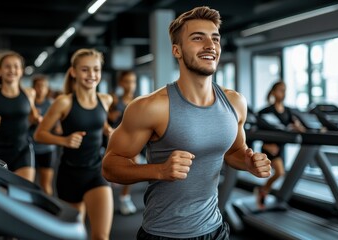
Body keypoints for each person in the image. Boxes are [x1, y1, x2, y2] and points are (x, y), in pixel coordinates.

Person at [102, 6, 271, 239]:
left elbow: (234, 152)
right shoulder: (151, 107)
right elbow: (110, 165)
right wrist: (159, 170)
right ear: (177, 50)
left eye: (215, 39)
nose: (210, 45)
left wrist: (249, 162)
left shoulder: (235, 102)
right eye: (197, 38)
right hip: (164, 233)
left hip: (215, 228)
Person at [34, 48, 114, 240]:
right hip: (69, 175)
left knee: (101, 236)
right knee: (74, 236)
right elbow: (39, 134)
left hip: (96, 172)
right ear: (74, 72)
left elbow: (100, 123)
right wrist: (64, 140)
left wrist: (108, 131)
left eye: (96, 69)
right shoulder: (64, 102)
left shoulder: (106, 100)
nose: (92, 75)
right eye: (85, 70)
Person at [0, 51, 41, 182]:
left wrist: (37, 119)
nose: (12, 70)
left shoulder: (29, 93)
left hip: (22, 149)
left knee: (24, 191)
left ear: (21, 71)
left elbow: (33, 114)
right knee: (0, 194)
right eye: (7, 66)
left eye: (16, 66)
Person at [255, 81, 306, 209]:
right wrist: (266, 145)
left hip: (281, 147)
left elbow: (298, 126)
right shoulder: (265, 111)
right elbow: (260, 130)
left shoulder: (288, 111)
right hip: (269, 147)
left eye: (285, 90)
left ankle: (263, 191)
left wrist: (299, 127)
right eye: (280, 90)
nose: (283, 93)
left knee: (279, 173)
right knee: (280, 172)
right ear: (273, 92)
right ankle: (263, 191)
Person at [107, 70, 140, 215]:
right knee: (108, 173)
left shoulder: (138, 101)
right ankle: (104, 199)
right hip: (113, 142)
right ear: (121, 83)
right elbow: (104, 119)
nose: (130, 85)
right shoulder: (114, 100)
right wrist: (110, 116)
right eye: (127, 81)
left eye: (133, 82)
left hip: (132, 141)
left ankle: (124, 197)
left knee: (134, 167)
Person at [29, 74, 57, 195]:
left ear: (47, 89)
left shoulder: (52, 104)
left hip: (47, 148)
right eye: (38, 86)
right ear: (33, 88)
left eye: (43, 86)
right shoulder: (28, 103)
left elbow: (57, 126)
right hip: (30, 147)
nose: (41, 89)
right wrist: (31, 120)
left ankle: (48, 212)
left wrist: (44, 123)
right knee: (29, 183)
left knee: (46, 185)